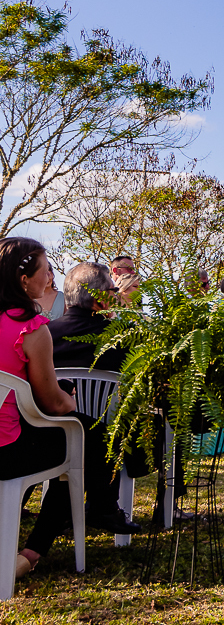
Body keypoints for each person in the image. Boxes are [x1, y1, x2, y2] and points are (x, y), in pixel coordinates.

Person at [1, 239, 137, 586]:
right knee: (77, 437)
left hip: (13, 436)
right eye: (45, 270)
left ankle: (100, 508)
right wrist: (69, 402)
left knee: (71, 438)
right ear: (23, 281)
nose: (50, 277)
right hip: (7, 451)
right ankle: (30, 554)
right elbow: (53, 404)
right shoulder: (31, 328)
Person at [49, 263, 126, 374]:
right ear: (101, 297)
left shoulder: (46, 334)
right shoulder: (123, 337)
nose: (115, 296)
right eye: (113, 291)